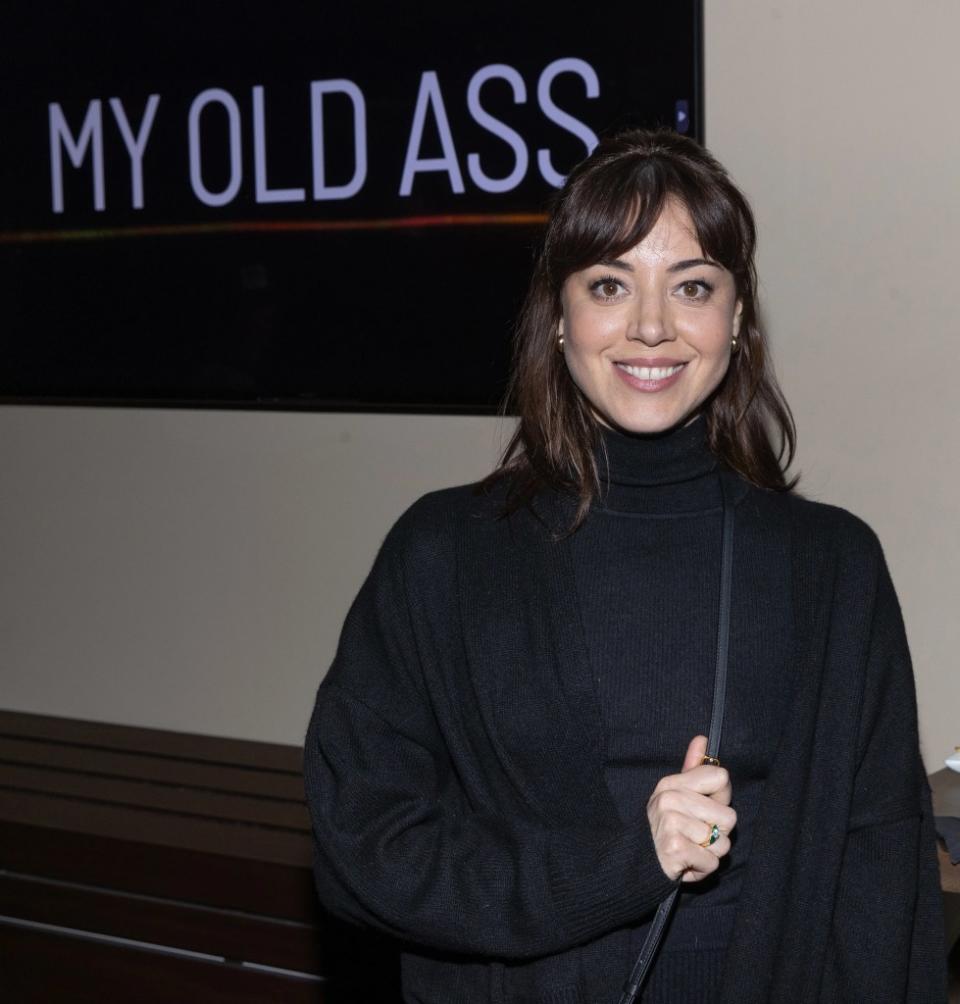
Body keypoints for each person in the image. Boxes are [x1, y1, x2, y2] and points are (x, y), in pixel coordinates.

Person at [303, 129, 946, 1003]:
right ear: (560, 315)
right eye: (611, 284)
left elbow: (881, 874)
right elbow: (365, 849)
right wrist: (619, 865)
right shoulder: (444, 555)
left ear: (738, 320)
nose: (652, 325)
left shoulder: (831, 568)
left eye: (692, 287)